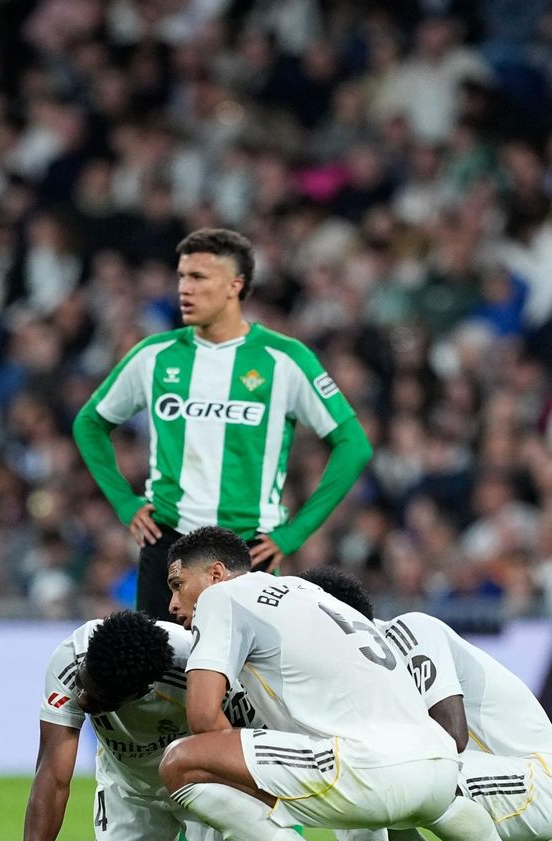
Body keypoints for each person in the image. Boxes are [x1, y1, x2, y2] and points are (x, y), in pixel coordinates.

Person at [156, 526, 549, 841]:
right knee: (326, 754)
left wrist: (263, 817)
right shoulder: (306, 592)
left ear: (216, 575)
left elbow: (203, 718)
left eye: (178, 585)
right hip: (441, 772)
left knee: (181, 763)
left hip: (367, 772)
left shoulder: (221, 600)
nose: (172, 603)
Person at [73, 228, 373, 619]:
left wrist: (295, 533)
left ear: (235, 285)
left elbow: (354, 444)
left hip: (248, 549)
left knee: (244, 679)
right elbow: (89, 423)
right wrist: (125, 502)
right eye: (181, 276)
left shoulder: (283, 358)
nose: (184, 288)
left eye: (199, 277)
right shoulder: (155, 355)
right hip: (168, 543)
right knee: (161, 677)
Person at [297, 566, 552, 841]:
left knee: (407, 775)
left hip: (540, 780)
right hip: (477, 773)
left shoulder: (410, 631)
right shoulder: (353, 673)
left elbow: (453, 735)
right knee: (359, 782)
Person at [11, 610, 260, 841]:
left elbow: (255, 749)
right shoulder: (71, 657)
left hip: (208, 787)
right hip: (131, 786)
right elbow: (53, 778)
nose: (84, 700)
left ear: (143, 690)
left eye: (102, 699)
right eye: (86, 685)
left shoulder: (199, 670)